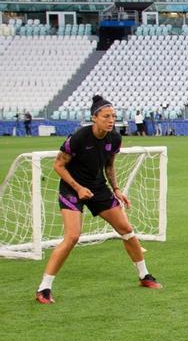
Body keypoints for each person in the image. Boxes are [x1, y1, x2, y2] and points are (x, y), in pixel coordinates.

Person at [35, 95, 163, 304]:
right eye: (106, 116)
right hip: (71, 188)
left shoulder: (114, 138)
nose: (111, 120)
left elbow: (109, 165)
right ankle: (44, 288)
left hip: (98, 187)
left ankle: (144, 275)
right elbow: (58, 166)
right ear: (94, 117)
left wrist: (116, 189)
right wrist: (78, 188)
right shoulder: (79, 137)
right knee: (72, 237)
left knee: (127, 230)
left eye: (113, 116)